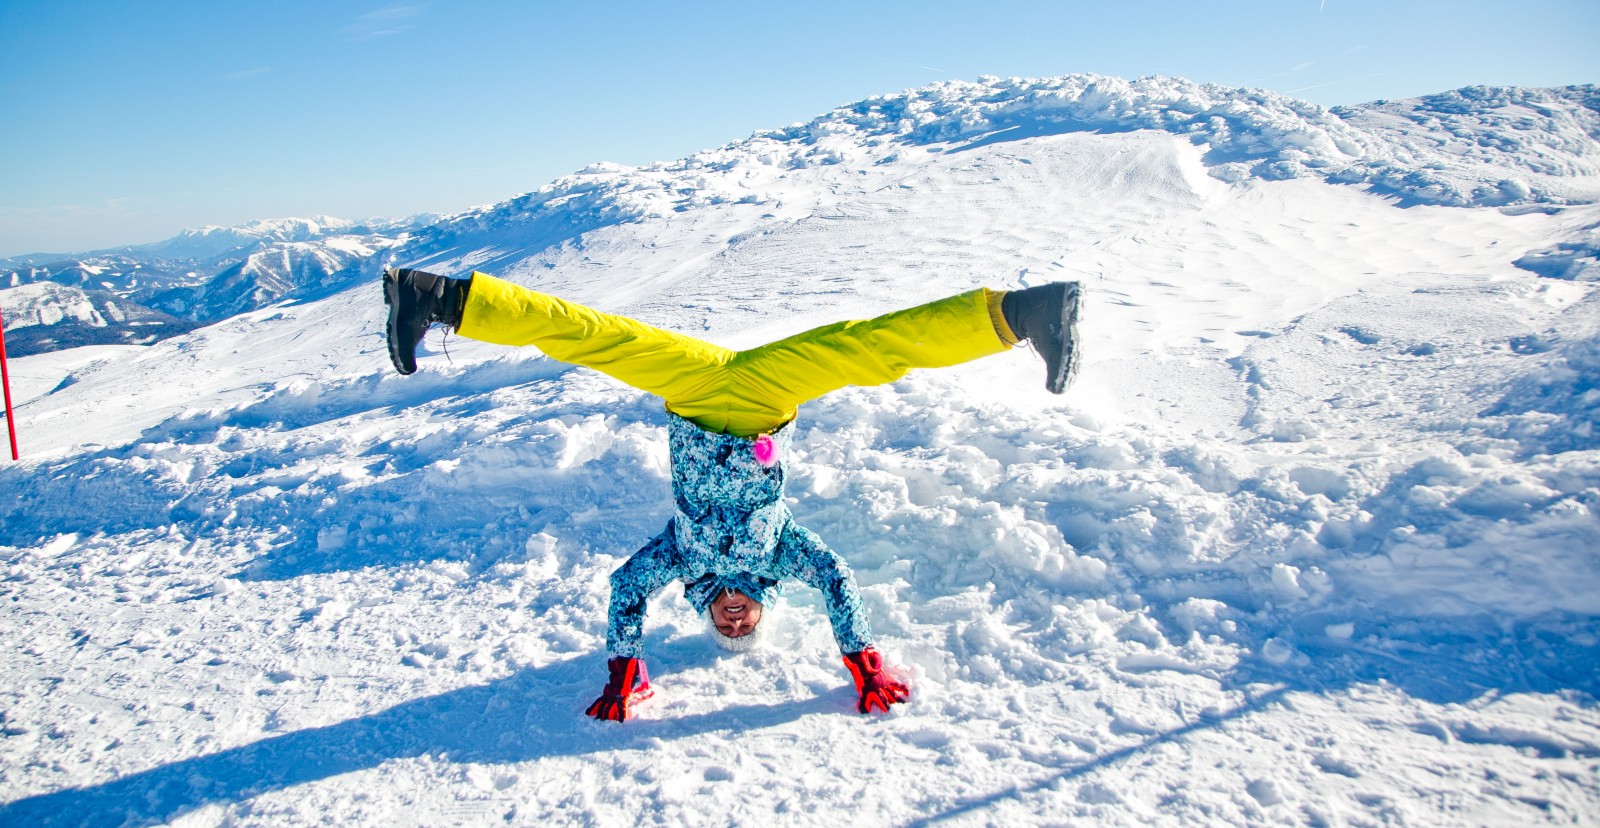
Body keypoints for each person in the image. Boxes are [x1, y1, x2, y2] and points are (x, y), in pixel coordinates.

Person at [382, 267, 1082, 720]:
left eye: (725, 627)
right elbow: (836, 581)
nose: (735, 619)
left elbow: (626, 588)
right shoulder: (782, 557)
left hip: (691, 392)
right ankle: (1026, 312)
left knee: (588, 337)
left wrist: (624, 667)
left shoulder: (679, 563)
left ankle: (436, 297)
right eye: (744, 626)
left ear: (709, 616)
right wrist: (860, 659)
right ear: (764, 608)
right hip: (761, 400)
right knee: (870, 348)